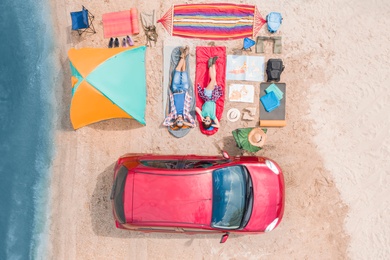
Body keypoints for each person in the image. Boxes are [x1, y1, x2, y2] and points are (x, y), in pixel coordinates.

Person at [163, 46, 195, 129]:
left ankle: (183, 55)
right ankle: (183, 55)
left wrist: (173, 123)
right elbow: (193, 124)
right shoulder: (186, 114)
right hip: (184, 89)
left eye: (178, 122)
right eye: (181, 122)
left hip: (175, 89)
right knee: (184, 71)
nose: (180, 120)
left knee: (177, 70)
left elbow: (165, 123)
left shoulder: (173, 114)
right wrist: (185, 122)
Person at [195, 56, 223, 130]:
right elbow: (218, 125)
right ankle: (213, 64)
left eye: (206, 121)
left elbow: (196, 108)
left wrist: (201, 117)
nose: (207, 120)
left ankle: (210, 65)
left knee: (213, 80)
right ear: (211, 121)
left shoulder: (203, 114)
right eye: (208, 121)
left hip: (207, 96)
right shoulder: (213, 116)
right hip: (214, 96)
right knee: (214, 79)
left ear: (204, 121)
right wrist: (212, 125)